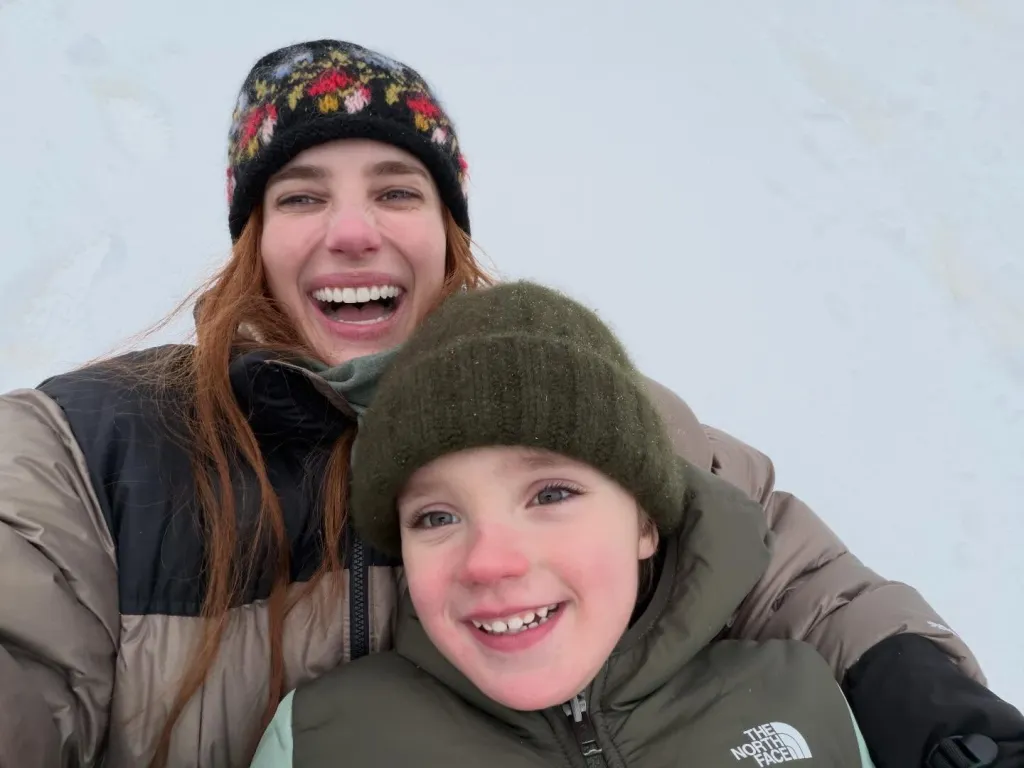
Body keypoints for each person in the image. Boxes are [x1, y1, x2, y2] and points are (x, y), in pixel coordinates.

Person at [0, 38, 1018, 768]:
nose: (351, 230)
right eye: (301, 195)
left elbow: (782, 566)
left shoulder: (575, 401)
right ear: (252, 241)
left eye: (397, 190)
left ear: (448, 232)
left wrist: (919, 697)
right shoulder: (85, 450)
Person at [250, 279, 880, 768]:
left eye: (551, 494)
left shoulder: (804, 702)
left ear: (646, 524)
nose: (489, 561)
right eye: (436, 516)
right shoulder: (319, 741)